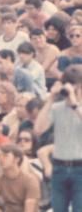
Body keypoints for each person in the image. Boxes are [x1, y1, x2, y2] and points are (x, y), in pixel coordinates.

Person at [34, 65, 82, 212]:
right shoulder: (57, 108)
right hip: (59, 167)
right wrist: (50, 100)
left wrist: (75, 105)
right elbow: (38, 130)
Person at [0, 144, 40, 212]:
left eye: (5, 156)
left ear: (17, 159)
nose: (1, 159)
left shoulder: (30, 180)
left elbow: (30, 208)